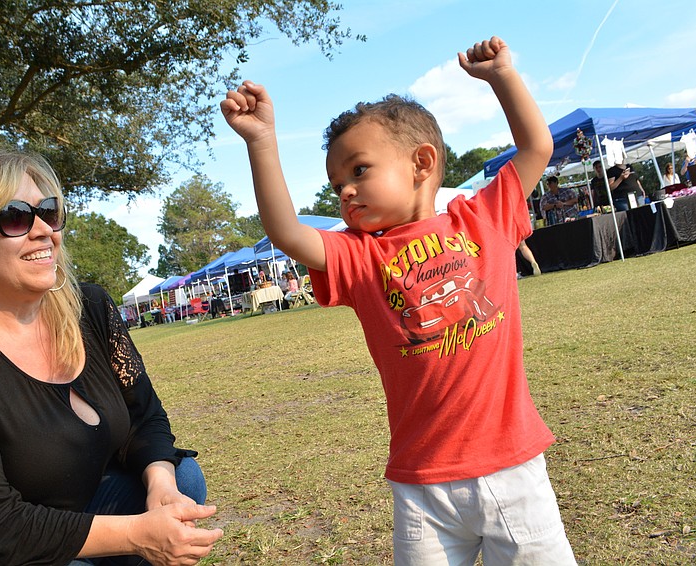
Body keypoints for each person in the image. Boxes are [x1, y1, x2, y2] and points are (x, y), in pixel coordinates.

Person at [222, 36, 575, 564]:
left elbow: (536, 149)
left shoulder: (483, 217)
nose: (343, 191)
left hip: (511, 466)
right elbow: (287, 233)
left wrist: (502, 76)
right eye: (336, 182)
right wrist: (262, 142)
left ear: (422, 162)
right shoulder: (359, 256)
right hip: (421, 484)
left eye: (358, 170)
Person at [0, 141, 222, 565]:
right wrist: (136, 534)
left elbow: (143, 419)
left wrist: (161, 487)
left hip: (58, 514)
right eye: (14, 217)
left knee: (181, 477)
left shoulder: (90, 309)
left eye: (49, 211)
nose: (44, 230)